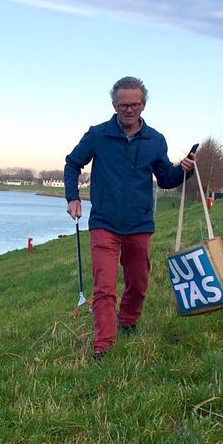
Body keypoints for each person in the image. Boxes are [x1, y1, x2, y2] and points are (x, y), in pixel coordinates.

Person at [64, 77, 196, 359]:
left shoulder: (155, 140)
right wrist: (72, 197)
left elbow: (166, 178)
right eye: (123, 105)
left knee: (138, 283)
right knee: (105, 285)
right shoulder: (97, 135)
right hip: (104, 223)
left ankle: (128, 322)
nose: (129, 110)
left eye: (134, 104)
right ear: (114, 105)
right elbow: (72, 163)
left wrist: (185, 169)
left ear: (143, 105)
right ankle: (104, 344)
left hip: (139, 223)